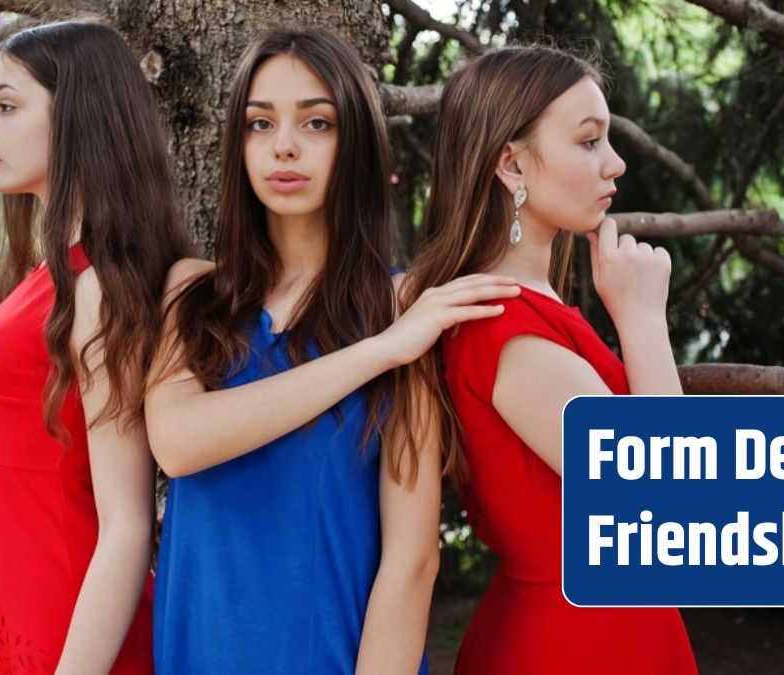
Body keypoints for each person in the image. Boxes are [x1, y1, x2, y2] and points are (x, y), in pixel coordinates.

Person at [144, 27, 520, 674]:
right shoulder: (193, 293)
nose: (284, 145)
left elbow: (412, 561)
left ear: (356, 146)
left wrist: (391, 339)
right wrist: (377, 354)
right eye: (260, 124)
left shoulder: (402, 308)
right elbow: (178, 440)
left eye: (317, 122)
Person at [403, 45, 698, 674]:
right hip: (577, 646)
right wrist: (644, 320)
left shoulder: (521, 309)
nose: (615, 164)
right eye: (589, 142)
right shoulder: (508, 331)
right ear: (511, 164)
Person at [0, 21, 191, 674]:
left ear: (80, 115)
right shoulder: (50, 272)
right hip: (14, 595)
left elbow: (127, 521)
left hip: (63, 622)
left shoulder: (100, 288)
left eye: (7, 105)